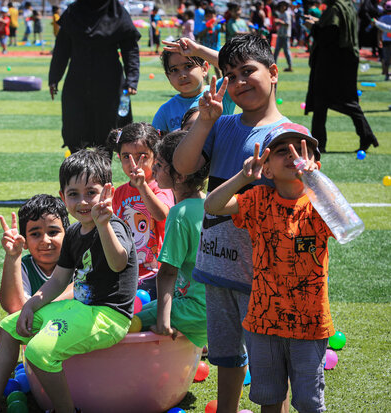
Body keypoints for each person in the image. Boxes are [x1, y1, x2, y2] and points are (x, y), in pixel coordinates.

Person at [0, 149, 138, 413]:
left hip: (108, 316)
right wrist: (31, 305)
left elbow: (118, 263)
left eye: (91, 192)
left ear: (107, 192)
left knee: (37, 352)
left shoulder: (113, 226)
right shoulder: (75, 231)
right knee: (10, 326)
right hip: (79, 308)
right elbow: (57, 281)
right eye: (74, 194)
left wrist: (103, 225)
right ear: (62, 196)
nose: (83, 201)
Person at [172, 34, 290, 413]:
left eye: (247, 71)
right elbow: (183, 166)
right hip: (216, 267)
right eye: (230, 75)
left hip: (264, 274)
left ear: (273, 73)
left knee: (270, 366)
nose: (239, 82)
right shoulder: (221, 126)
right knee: (226, 357)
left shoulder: (288, 135)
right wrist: (206, 122)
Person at [204, 125, 333, 413]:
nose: (292, 156)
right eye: (280, 152)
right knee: (268, 397)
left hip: (309, 324)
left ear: (315, 163)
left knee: (309, 402)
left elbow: (346, 223)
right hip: (263, 322)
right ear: (268, 169)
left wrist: (316, 181)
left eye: (301, 150)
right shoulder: (258, 199)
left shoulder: (318, 203)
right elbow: (213, 205)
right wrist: (243, 177)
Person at [135, 130, 208, 348]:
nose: (154, 169)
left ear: (180, 175)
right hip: (214, 308)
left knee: (128, 321)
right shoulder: (211, 203)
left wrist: (163, 321)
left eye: (159, 164)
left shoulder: (179, 213)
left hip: (192, 310)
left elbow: (167, 271)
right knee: (142, 309)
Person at [48, 0, 140, 153]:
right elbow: (62, 49)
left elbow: (130, 49)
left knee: (107, 137)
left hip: (109, 84)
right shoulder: (73, 12)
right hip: (77, 83)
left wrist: (132, 79)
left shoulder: (117, 12)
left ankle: (103, 175)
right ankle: (78, 176)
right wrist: (54, 78)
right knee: (75, 133)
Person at [304, 0, 379, 152]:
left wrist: (313, 28)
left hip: (332, 64)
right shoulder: (346, 6)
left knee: (326, 100)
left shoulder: (335, 9)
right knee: (342, 101)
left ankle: (320, 143)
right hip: (345, 61)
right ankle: (364, 135)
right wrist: (319, 23)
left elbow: (329, 37)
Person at [109, 122, 174, 299]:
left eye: (141, 156)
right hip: (128, 271)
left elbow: (161, 214)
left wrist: (143, 187)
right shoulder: (119, 193)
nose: (133, 164)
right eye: (126, 157)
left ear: (156, 156)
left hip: (155, 272)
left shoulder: (161, 187)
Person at [0, 194, 71, 313]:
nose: (45, 240)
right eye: (35, 234)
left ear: (67, 235)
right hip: (37, 327)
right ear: (25, 241)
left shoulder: (77, 263)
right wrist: (13, 256)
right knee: (7, 327)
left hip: (73, 325)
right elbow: (14, 308)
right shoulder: (24, 268)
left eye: (53, 232)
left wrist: (40, 305)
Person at [155, 37, 235, 133]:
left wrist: (199, 51)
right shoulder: (165, 111)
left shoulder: (220, 92)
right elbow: (155, 145)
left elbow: (234, 66)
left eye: (188, 66)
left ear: (204, 68)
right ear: (168, 77)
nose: (182, 75)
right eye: (174, 70)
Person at [273, 1, 293, 72]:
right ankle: (273, 65)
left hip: (285, 35)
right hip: (280, 34)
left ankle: (290, 67)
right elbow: (280, 24)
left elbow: (287, 24)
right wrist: (276, 23)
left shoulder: (287, 14)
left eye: (283, 6)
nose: (282, 7)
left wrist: (279, 21)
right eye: (281, 6)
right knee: (276, 51)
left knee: (286, 51)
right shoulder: (281, 14)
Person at [379, 1, 391, 81]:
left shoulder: (382, 18)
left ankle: (386, 74)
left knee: (386, 57)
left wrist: (379, 40)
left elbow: (380, 31)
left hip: (385, 41)